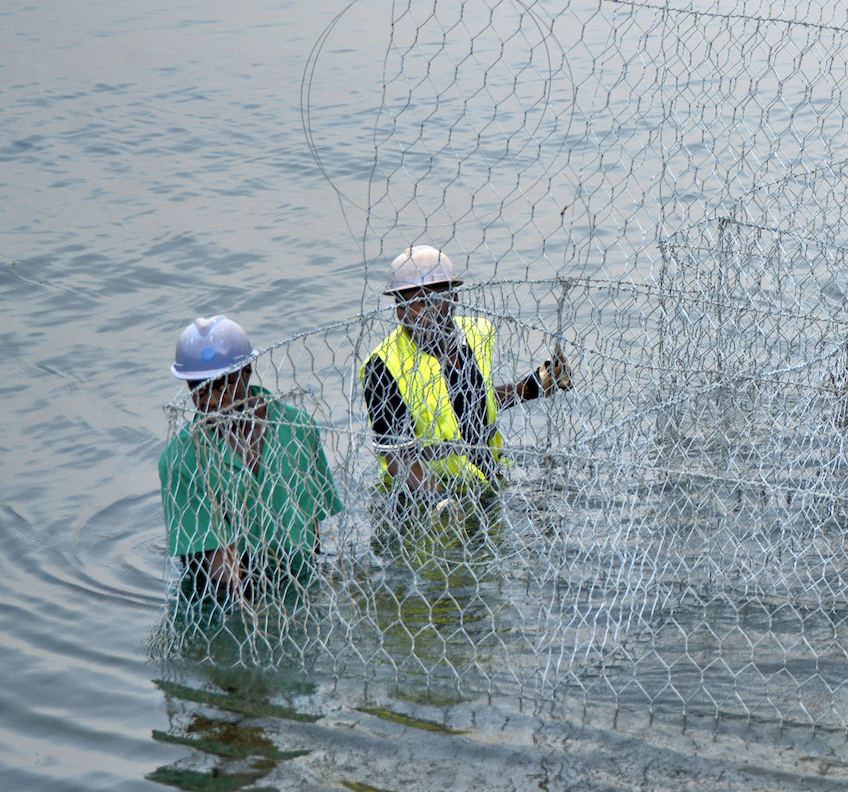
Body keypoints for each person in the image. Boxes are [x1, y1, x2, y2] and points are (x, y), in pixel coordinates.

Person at [359, 246, 572, 516]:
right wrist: (439, 501)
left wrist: (534, 385)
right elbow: (397, 456)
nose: (413, 313)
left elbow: (470, 398)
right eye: (403, 303)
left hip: (485, 482)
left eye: (426, 301)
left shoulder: (475, 334)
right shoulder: (382, 366)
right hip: (417, 500)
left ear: (453, 297)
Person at [159, 315, 343, 609]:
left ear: (246, 372)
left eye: (222, 385)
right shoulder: (183, 457)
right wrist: (260, 610)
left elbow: (313, 526)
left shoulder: (296, 429)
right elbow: (213, 559)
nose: (211, 400)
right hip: (219, 597)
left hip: (297, 579)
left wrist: (313, 584)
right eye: (199, 389)